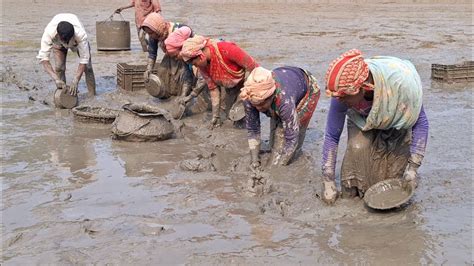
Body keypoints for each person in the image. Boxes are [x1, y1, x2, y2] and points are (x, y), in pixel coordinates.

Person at [321, 49, 429, 204]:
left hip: (395, 113)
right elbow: (332, 135)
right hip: (362, 118)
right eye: (338, 96)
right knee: (357, 148)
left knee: (392, 175)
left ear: (365, 87)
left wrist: (413, 168)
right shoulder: (343, 90)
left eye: (345, 96)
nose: (340, 100)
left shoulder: (402, 87)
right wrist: (328, 179)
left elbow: (421, 123)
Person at [240, 66, 320, 169]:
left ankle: (295, 155)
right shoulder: (249, 96)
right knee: (275, 139)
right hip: (287, 79)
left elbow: (292, 137)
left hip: (308, 89)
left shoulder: (284, 101)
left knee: (288, 135)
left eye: (261, 104)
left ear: (271, 96)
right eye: (255, 105)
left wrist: (279, 167)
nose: (259, 108)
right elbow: (253, 130)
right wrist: (254, 160)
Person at [180, 35, 259, 128]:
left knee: (245, 114)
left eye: (195, 63)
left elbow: (255, 68)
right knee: (231, 115)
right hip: (231, 86)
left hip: (248, 82)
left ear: (200, 56)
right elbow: (213, 89)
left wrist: (246, 93)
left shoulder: (227, 49)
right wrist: (215, 116)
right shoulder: (203, 67)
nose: (196, 67)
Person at [140, 13, 196, 102]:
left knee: (184, 73)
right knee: (162, 72)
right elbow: (152, 53)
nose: (150, 35)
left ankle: (184, 96)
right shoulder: (154, 34)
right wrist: (148, 69)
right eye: (148, 33)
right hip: (170, 55)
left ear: (158, 28)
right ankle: (168, 96)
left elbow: (190, 47)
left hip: (183, 54)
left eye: (151, 33)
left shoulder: (179, 30)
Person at [37, 13, 96, 97]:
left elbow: (84, 59)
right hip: (58, 43)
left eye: (68, 39)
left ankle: (92, 95)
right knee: (59, 68)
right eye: (65, 40)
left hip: (76, 42)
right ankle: (63, 96)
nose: (66, 42)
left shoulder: (81, 34)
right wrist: (56, 79)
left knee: (88, 67)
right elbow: (44, 59)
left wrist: (76, 80)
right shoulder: (49, 33)